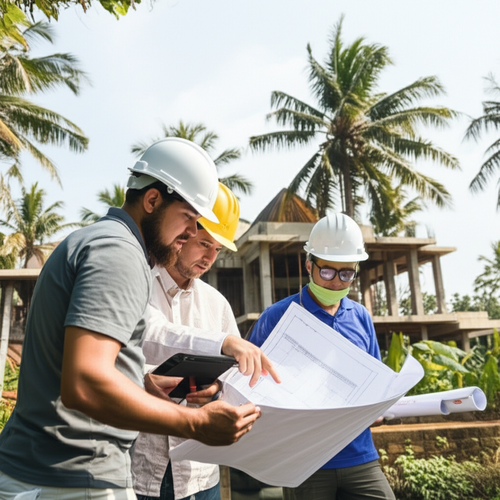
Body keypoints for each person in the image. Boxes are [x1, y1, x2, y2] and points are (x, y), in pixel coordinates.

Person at [0, 138, 275, 500]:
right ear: (152, 201)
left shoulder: (92, 241)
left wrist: (141, 383)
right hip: (77, 474)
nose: (192, 233)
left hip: (51, 470)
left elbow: (81, 363)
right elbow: (84, 382)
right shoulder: (121, 253)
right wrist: (195, 423)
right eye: (189, 220)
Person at [248, 213, 395, 500]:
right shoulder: (277, 317)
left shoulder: (361, 317)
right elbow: (248, 386)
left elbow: (376, 382)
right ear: (308, 265)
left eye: (346, 274)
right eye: (327, 272)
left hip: (359, 455)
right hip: (305, 461)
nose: (336, 283)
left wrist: (377, 408)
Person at [132, 182, 242, 500]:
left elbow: (232, 381)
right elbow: (147, 336)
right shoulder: (138, 283)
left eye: (218, 249)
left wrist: (216, 390)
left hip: (201, 472)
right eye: (204, 243)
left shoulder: (217, 303)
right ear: (183, 232)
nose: (210, 257)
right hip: (143, 467)